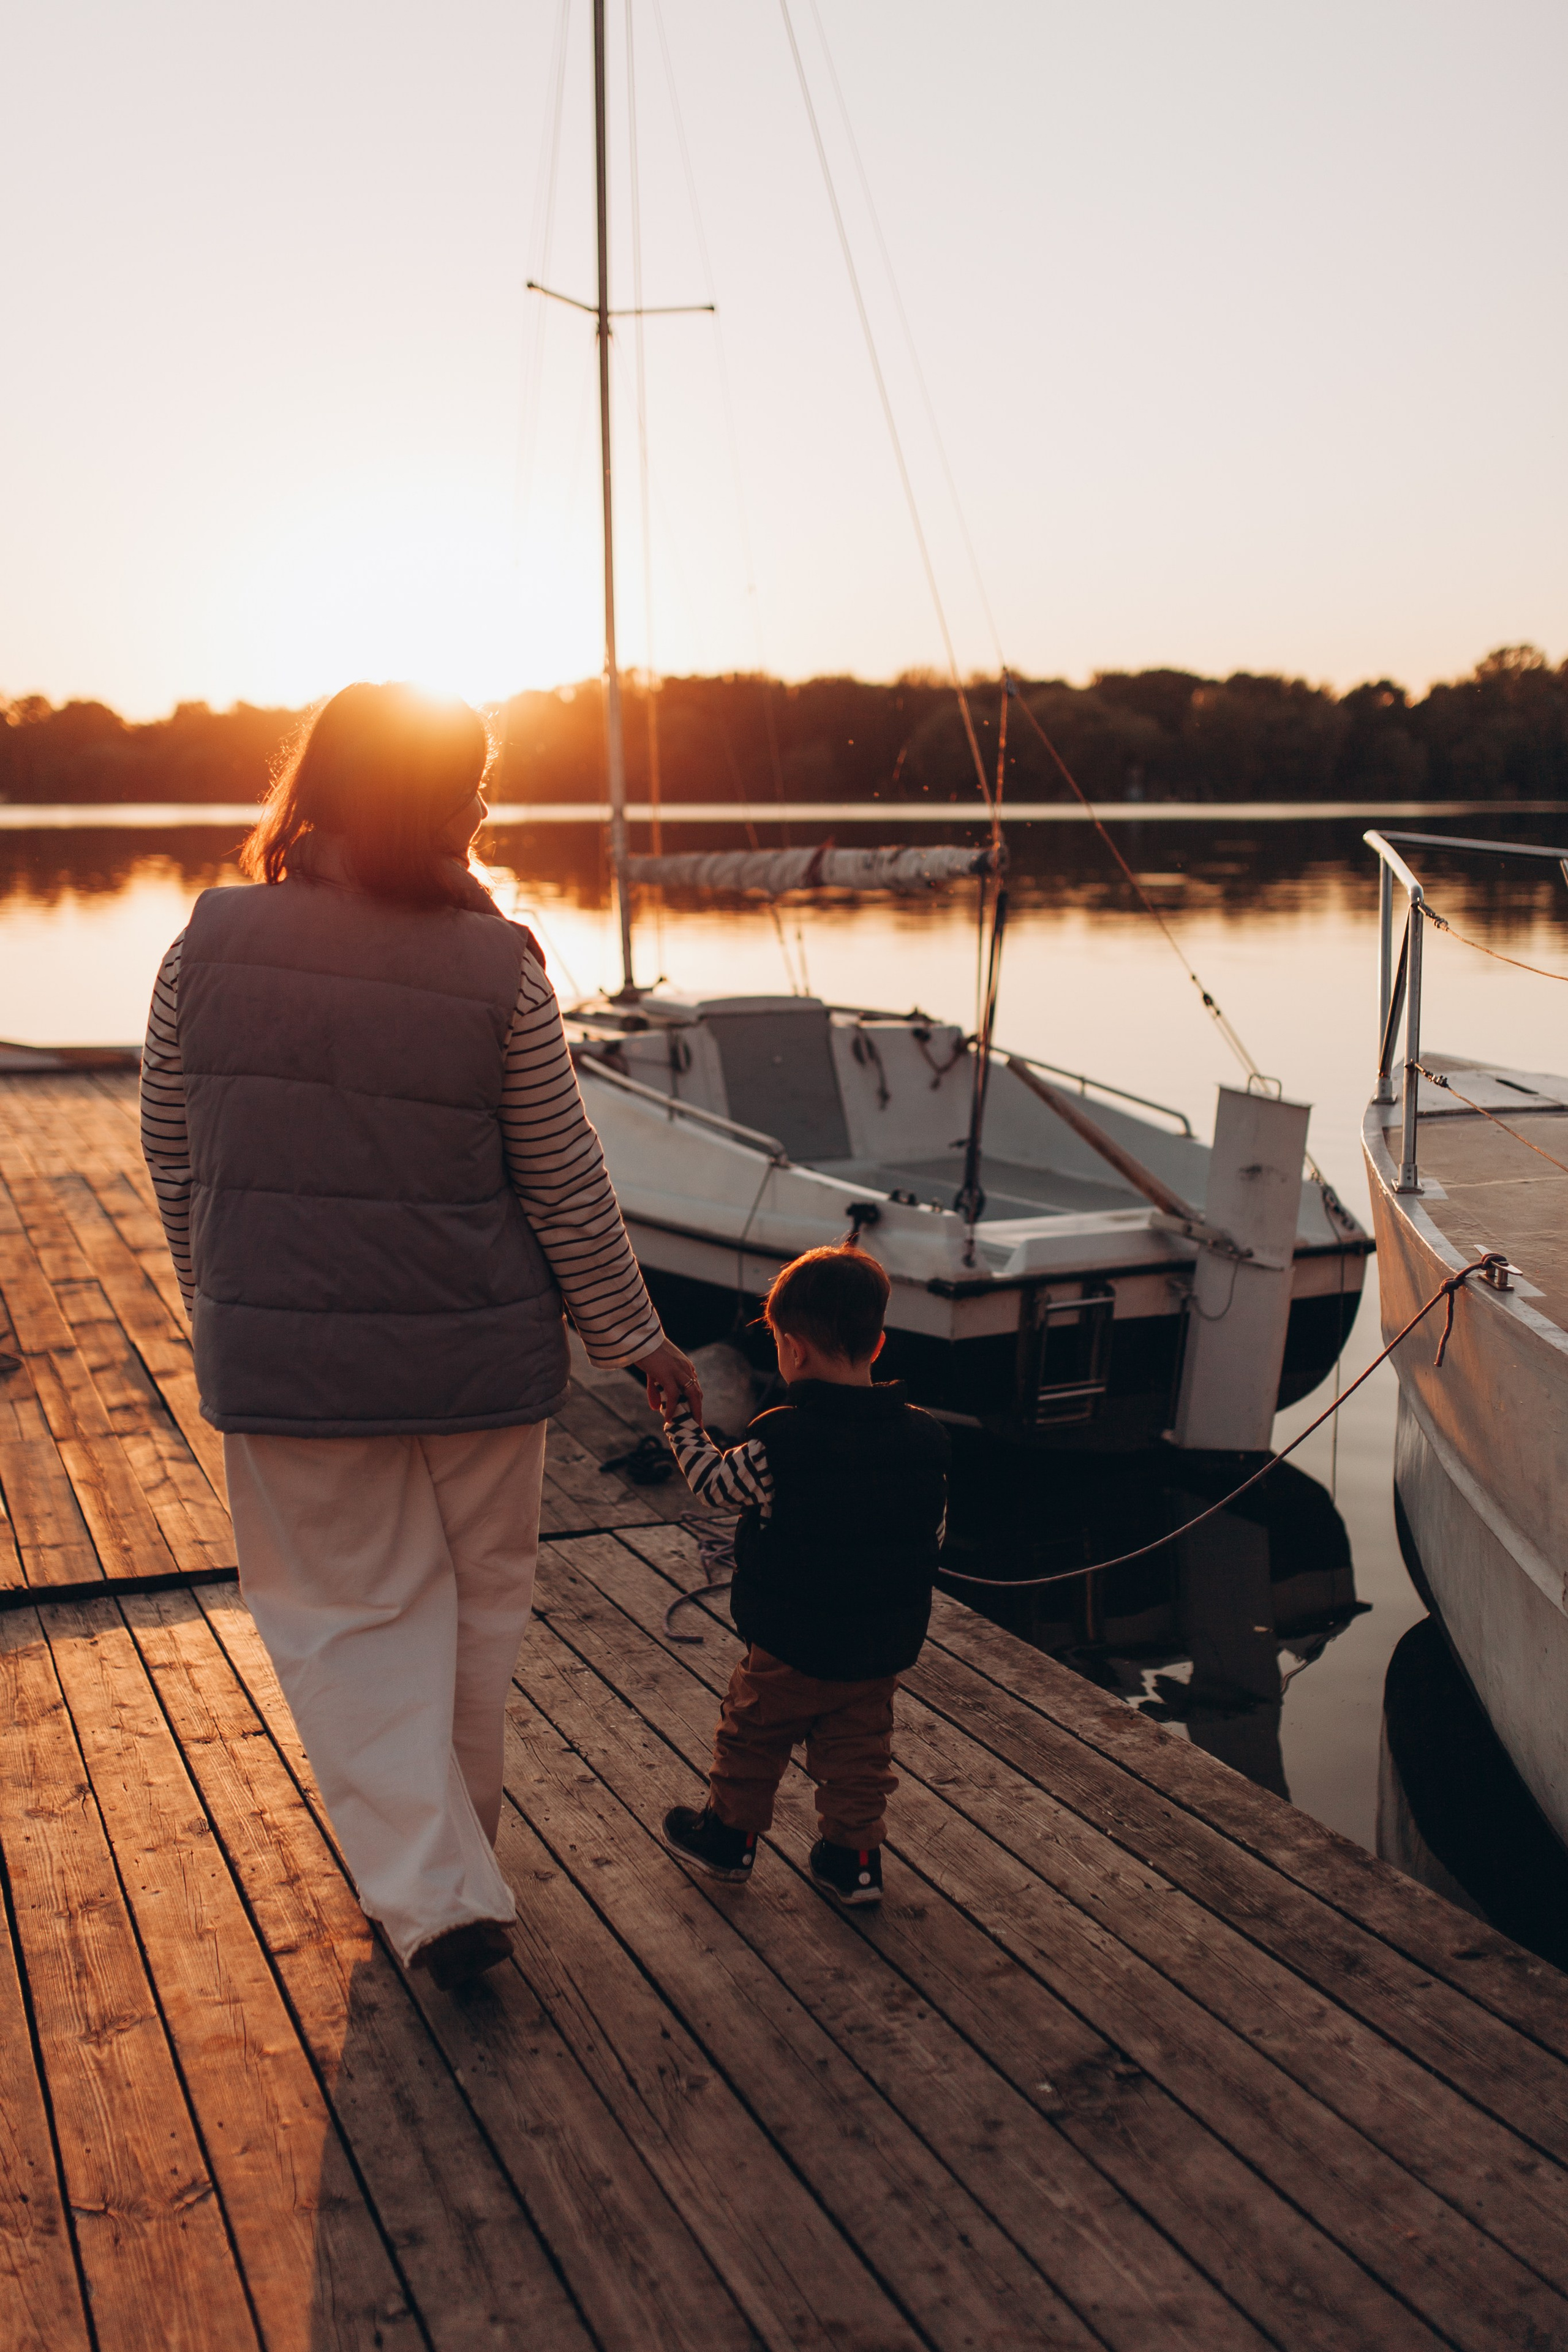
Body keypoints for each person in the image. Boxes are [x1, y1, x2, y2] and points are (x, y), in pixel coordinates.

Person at [140, 680, 700, 1990]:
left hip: (290, 1371)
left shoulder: (201, 946)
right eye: (470, 786)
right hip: (477, 1366)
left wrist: (225, 1295)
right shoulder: (498, 964)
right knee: (473, 1625)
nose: (484, 809)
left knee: (344, 1622)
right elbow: (563, 1180)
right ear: (427, 802)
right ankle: (452, 1880)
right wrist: (638, 1340)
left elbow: (175, 1151)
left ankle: (438, 1892)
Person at [658, 1245, 948, 1907]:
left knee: (752, 1737)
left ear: (792, 1349)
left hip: (789, 1641)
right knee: (860, 1755)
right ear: (878, 1344)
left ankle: (728, 1840)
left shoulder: (781, 1439)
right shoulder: (926, 1439)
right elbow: (932, 1536)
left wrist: (680, 1423)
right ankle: (855, 1863)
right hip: (877, 1647)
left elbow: (714, 1485)